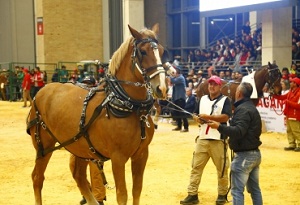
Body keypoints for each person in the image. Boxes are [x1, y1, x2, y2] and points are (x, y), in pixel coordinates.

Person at [208, 82, 263, 205]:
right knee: (255, 190)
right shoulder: (251, 107)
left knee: (237, 191)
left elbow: (238, 131)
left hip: (244, 156)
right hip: (254, 154)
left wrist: (219, 127)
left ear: (239, 93)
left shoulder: (242, 110)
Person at [180, 75, 231, 205]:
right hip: (202, 138)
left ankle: (222, 194)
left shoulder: (226, 100)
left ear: (220, 86)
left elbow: (225, 117)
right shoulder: (202, 99)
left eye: (214, 84)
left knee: (222, 169)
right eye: (210, 84)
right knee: (196, 167)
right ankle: (192, 194)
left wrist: (208, 117)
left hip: (218, 139)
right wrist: (196, 118)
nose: (211, 86)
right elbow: (196, 113)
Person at [273, 77, 300, 151]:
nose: (290, 83)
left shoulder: (299, 93)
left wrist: (288, 102)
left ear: (295, 84)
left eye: (292, 82)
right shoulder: (291, 91)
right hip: (289, 114)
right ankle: (292, 144)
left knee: (296, 131)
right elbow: (283, 97)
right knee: (289, 130)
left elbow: (298, 106)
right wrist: (274, 96)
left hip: (295, 115)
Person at [168, 66, 187, 131]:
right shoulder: (178, 78)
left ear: (177, 72)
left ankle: (186, 127)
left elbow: (173, 81)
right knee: (177, 113)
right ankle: (179, 126)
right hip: (176, 98)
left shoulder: (181, 78)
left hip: (180, 98)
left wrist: (169, 74)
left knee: (182, 113)